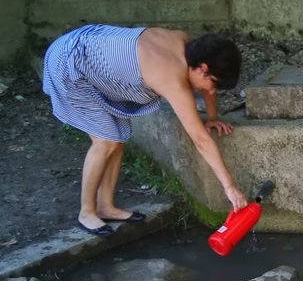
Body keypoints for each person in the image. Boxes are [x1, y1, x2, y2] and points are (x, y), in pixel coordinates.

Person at [42, 24, 248, 236]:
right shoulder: (169, 74)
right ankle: (86, 212)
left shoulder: (187, 46)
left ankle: (105, 206)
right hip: (68, 64)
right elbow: (200, 139)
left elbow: (208, 87)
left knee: (117, 138)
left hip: (90, 52)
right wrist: (229, 187)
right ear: (203, 68)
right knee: (105, 141)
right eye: (212, 83)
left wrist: (212, 118)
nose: (211, 91)